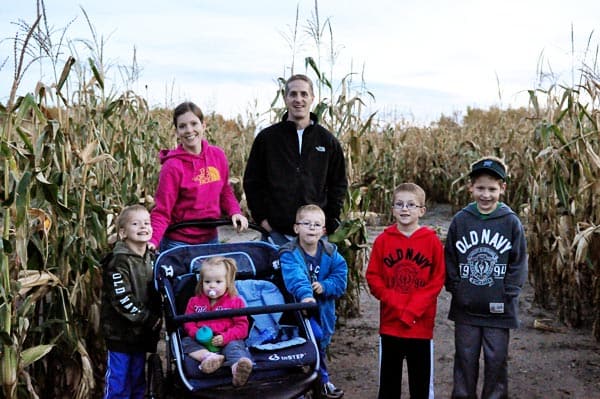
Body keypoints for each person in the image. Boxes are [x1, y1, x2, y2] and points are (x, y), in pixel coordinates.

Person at [445, 157, 528, 399]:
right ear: (470, 187)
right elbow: (450, 257)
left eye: (492, 189)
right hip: (466, 309)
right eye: (480, 188)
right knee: (464, 359)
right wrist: (457, 289)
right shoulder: (461, 220)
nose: (486, 195)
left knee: (496, 361)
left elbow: (519, 261)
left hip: (499, 310)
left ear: (502, 188)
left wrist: (508, 293)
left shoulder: (510, 221)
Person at [243, 74, 347, 245]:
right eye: (293, 94)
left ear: (312, 98)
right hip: (276, 234)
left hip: (315, 235)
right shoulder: (267, 139)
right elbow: (253, 182)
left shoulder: (327, 141)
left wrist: (330, 221)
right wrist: (262, 220)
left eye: (304, 94)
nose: (298, 99)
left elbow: (338, 184)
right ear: (285, 98)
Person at [366, 183, 446, 399]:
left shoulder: (432, 242)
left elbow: (437, 280)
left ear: (422, 210)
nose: (405, 209)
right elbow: (373, 277)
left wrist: (412, 311)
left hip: (420, 326)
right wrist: (397, 304)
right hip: (391, 325)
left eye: (411, 205)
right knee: (389, 383)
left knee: (420, 384)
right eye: (399, 204)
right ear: (392, 209)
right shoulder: (383, 240)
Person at [149, 101, 248, 252]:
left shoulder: (217, 156)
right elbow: (162, 210)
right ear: (176, 132)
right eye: (182, 126)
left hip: (210, 239)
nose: (189, 130)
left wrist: (235, 211)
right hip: (179, 243)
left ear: (203, 125)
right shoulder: (172, 166)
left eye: (194, 123)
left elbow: (224, 191)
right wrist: (152, 241)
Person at [279, 204, 348, 398]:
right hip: (297, 311)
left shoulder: (330, 252)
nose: (311, 228)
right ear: (296, 228)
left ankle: (322, 382)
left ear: (323, 230)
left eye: (317, 224)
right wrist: (306, 295)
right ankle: (299, 385)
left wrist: (325, 286)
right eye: (306, 223)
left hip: (322, 309)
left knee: (320, 344)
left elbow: (341, 277)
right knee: (302, 344)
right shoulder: (289, 253)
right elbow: (296, 277)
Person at [101, 204, 162, 399]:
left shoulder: (152, 258)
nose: (143, 227)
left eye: (147, 223)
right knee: (118, 381)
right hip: (120, 333)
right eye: (135, 224)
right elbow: (122, 298)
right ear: (122, 232)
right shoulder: (118, 262)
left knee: (137, 378)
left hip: (141, 333)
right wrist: (147, 318)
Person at [182, 256, 253, 387]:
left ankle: (237, 368)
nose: (212, 286)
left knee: (235, 347)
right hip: (201, 341)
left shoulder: (235, 302)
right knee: (186, 342)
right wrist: (195, 333)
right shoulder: (194, 301)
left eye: (218, 282)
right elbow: (188, 322)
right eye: (207, 281)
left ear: (228, 282)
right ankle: (209, 358)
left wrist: (225, 337)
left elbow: (242, 327)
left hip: (226, 339)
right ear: (201, 282)